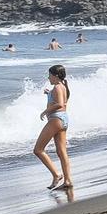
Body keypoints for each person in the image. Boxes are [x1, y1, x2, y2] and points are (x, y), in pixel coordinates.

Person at [32, 63, 73, 192]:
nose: (48, 78)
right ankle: (67, 180)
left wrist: (45, 111)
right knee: (61, 152)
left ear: (55, 76)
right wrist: (48, 94)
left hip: (56, 119)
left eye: (49, 75)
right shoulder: (61, 87)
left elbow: (60, 104)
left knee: (38, 150)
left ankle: (56, 174)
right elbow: (59, 100)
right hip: (63, 119)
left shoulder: (57, 87)